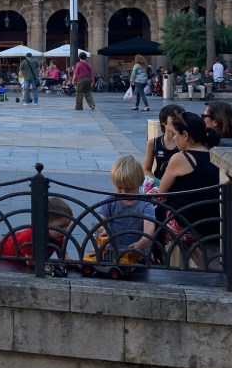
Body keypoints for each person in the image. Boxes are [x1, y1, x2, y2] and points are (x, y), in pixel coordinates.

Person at [156, 111, 223, 268]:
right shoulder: (214, 155)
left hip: (187, 220)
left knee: (151, 202)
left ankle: (154, 256)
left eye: (175, 134)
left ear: (185, 135)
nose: (174, 138)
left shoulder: (181, 158)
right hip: (212, 218)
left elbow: (162, 191)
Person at [91, 156, 156, 264]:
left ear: (140, 183)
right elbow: (100, 219)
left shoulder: (145, 204)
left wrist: (144, 241)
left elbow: (149, 227)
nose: (124, 192)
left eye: (129, 189)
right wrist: (103, 228)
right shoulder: (110, 200)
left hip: (136, 253)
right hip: (112, 251)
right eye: (119, 188)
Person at [0, 198, 73, 267]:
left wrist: (74, 263)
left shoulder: (58, 236)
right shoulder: (31, 236)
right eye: (61, 226)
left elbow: (64, 255)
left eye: (68, 226)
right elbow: (30, 261)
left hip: (14, 259)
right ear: (45, 223)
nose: (66, 230)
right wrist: (50, 265)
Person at [144, 103, 185, 184]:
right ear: (163, 122)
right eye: (174, 118)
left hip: (179, 185)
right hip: (159, 183)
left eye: (180, 118)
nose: (178, 122)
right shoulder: (153, 143)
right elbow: (146, 169)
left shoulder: (184, 142)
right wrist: (158, 182)